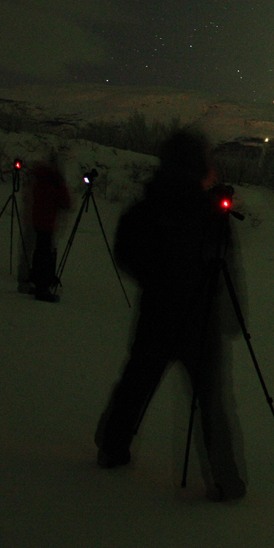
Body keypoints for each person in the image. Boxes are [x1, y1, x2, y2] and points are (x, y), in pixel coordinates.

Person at [94, 129, 246, 501]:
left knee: (136, 382)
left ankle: (111, 447)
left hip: (158, 315)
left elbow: (126, 251)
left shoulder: (150, 204)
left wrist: (157, 280)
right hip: (199, 320)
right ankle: (226, 481)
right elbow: (225, 266)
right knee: (210, 402)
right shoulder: (206, 211)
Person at [25, 150, 72, 302]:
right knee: (45, 255)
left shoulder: (40, 177)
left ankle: (36, 281)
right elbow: (65, 202)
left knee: (39, 252)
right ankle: (42, 288)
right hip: (47, 222)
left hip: (37, 219)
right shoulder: (54, 181)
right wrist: (61, 184)